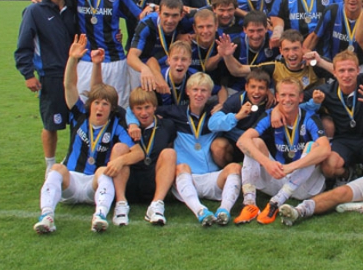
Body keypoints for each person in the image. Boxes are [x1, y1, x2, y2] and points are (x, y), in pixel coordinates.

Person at [34, 35, 142, 234]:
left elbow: (138, 152)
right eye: (97, 103)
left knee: (104, 172)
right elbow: (69, 85)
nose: (100, 108)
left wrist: (120, 161)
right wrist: (73, 59)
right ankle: (47, 216)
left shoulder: (116, 124)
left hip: (95, 184)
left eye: (105, 104)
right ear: (90, 104)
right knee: (56, 168)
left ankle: (99, 215)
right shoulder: (79, 114)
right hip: (72, 181)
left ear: (112, 108)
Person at [233, 78, 331, 225]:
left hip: (303, 185)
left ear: (300, 98)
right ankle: (249, 203)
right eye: (283, 95)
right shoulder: (269, 115)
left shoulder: (309, 117)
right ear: (277, 97)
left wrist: (291, 167)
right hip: (277, 175)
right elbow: (242, 141)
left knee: (314, 146)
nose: (287, 99)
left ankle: (276, 202)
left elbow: (325, 149)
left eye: (292, 95)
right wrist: (267, 163)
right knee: (254, 143)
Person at [313, 15, 363, 181]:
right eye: (341, 71)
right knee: (328, 166)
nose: (346, 75)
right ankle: (348, 175)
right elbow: (300, 102)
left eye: (350, 70)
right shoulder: (326, 91)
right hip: (344, 142)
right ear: (334, 73)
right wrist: (313, 102)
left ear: (358, 70)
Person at [15, 0, 77, 173]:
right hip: (51, 76)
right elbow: (23, 45)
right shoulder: (34, 11)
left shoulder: (73, 7)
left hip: (77, 75)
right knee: (51, 123)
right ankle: (50, 166)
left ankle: (73, 161)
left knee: (79, 122)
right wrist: (28, 74)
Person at [160, 72, 242, 226]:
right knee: (180, 167)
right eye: (195, 90)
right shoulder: (174, 112)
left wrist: (224, 105)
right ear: (188, 92)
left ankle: (224, 210)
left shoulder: (215, 114)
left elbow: (239, 111)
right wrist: (132, 123)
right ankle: (200, 211)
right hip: (188, 178)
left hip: (213, 179)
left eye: (204, 90)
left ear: (210, 94)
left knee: (235, 168)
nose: (199, 94)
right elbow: (142, 110)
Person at [71, 0, 143, 108]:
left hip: (115, 62)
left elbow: (140, 17)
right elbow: (53, 2)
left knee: (118, 110)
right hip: (86, 62)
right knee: (86, 110)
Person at [113, 88, 178, 226]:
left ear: (155, 107)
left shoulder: (167, 126)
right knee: (119, 148)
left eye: (147, 107)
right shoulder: (124, 126)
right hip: (129, 181)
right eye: (138, 108)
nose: (143, 113)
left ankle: (156, 205)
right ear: (132, 110)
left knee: (169, 153)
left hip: (154, 181)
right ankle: (120, 203)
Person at [126, 0, 185, 93]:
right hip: (143, 65)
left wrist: (192, 36)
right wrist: (144, 69)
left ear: (181, 15)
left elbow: (207, 11)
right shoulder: (147, 24)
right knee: (142, 97)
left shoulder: (185, 20)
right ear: (159, 13)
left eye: (175, 15)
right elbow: (131, 57)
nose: (170, 20)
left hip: (166, 63)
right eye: (166, 15)